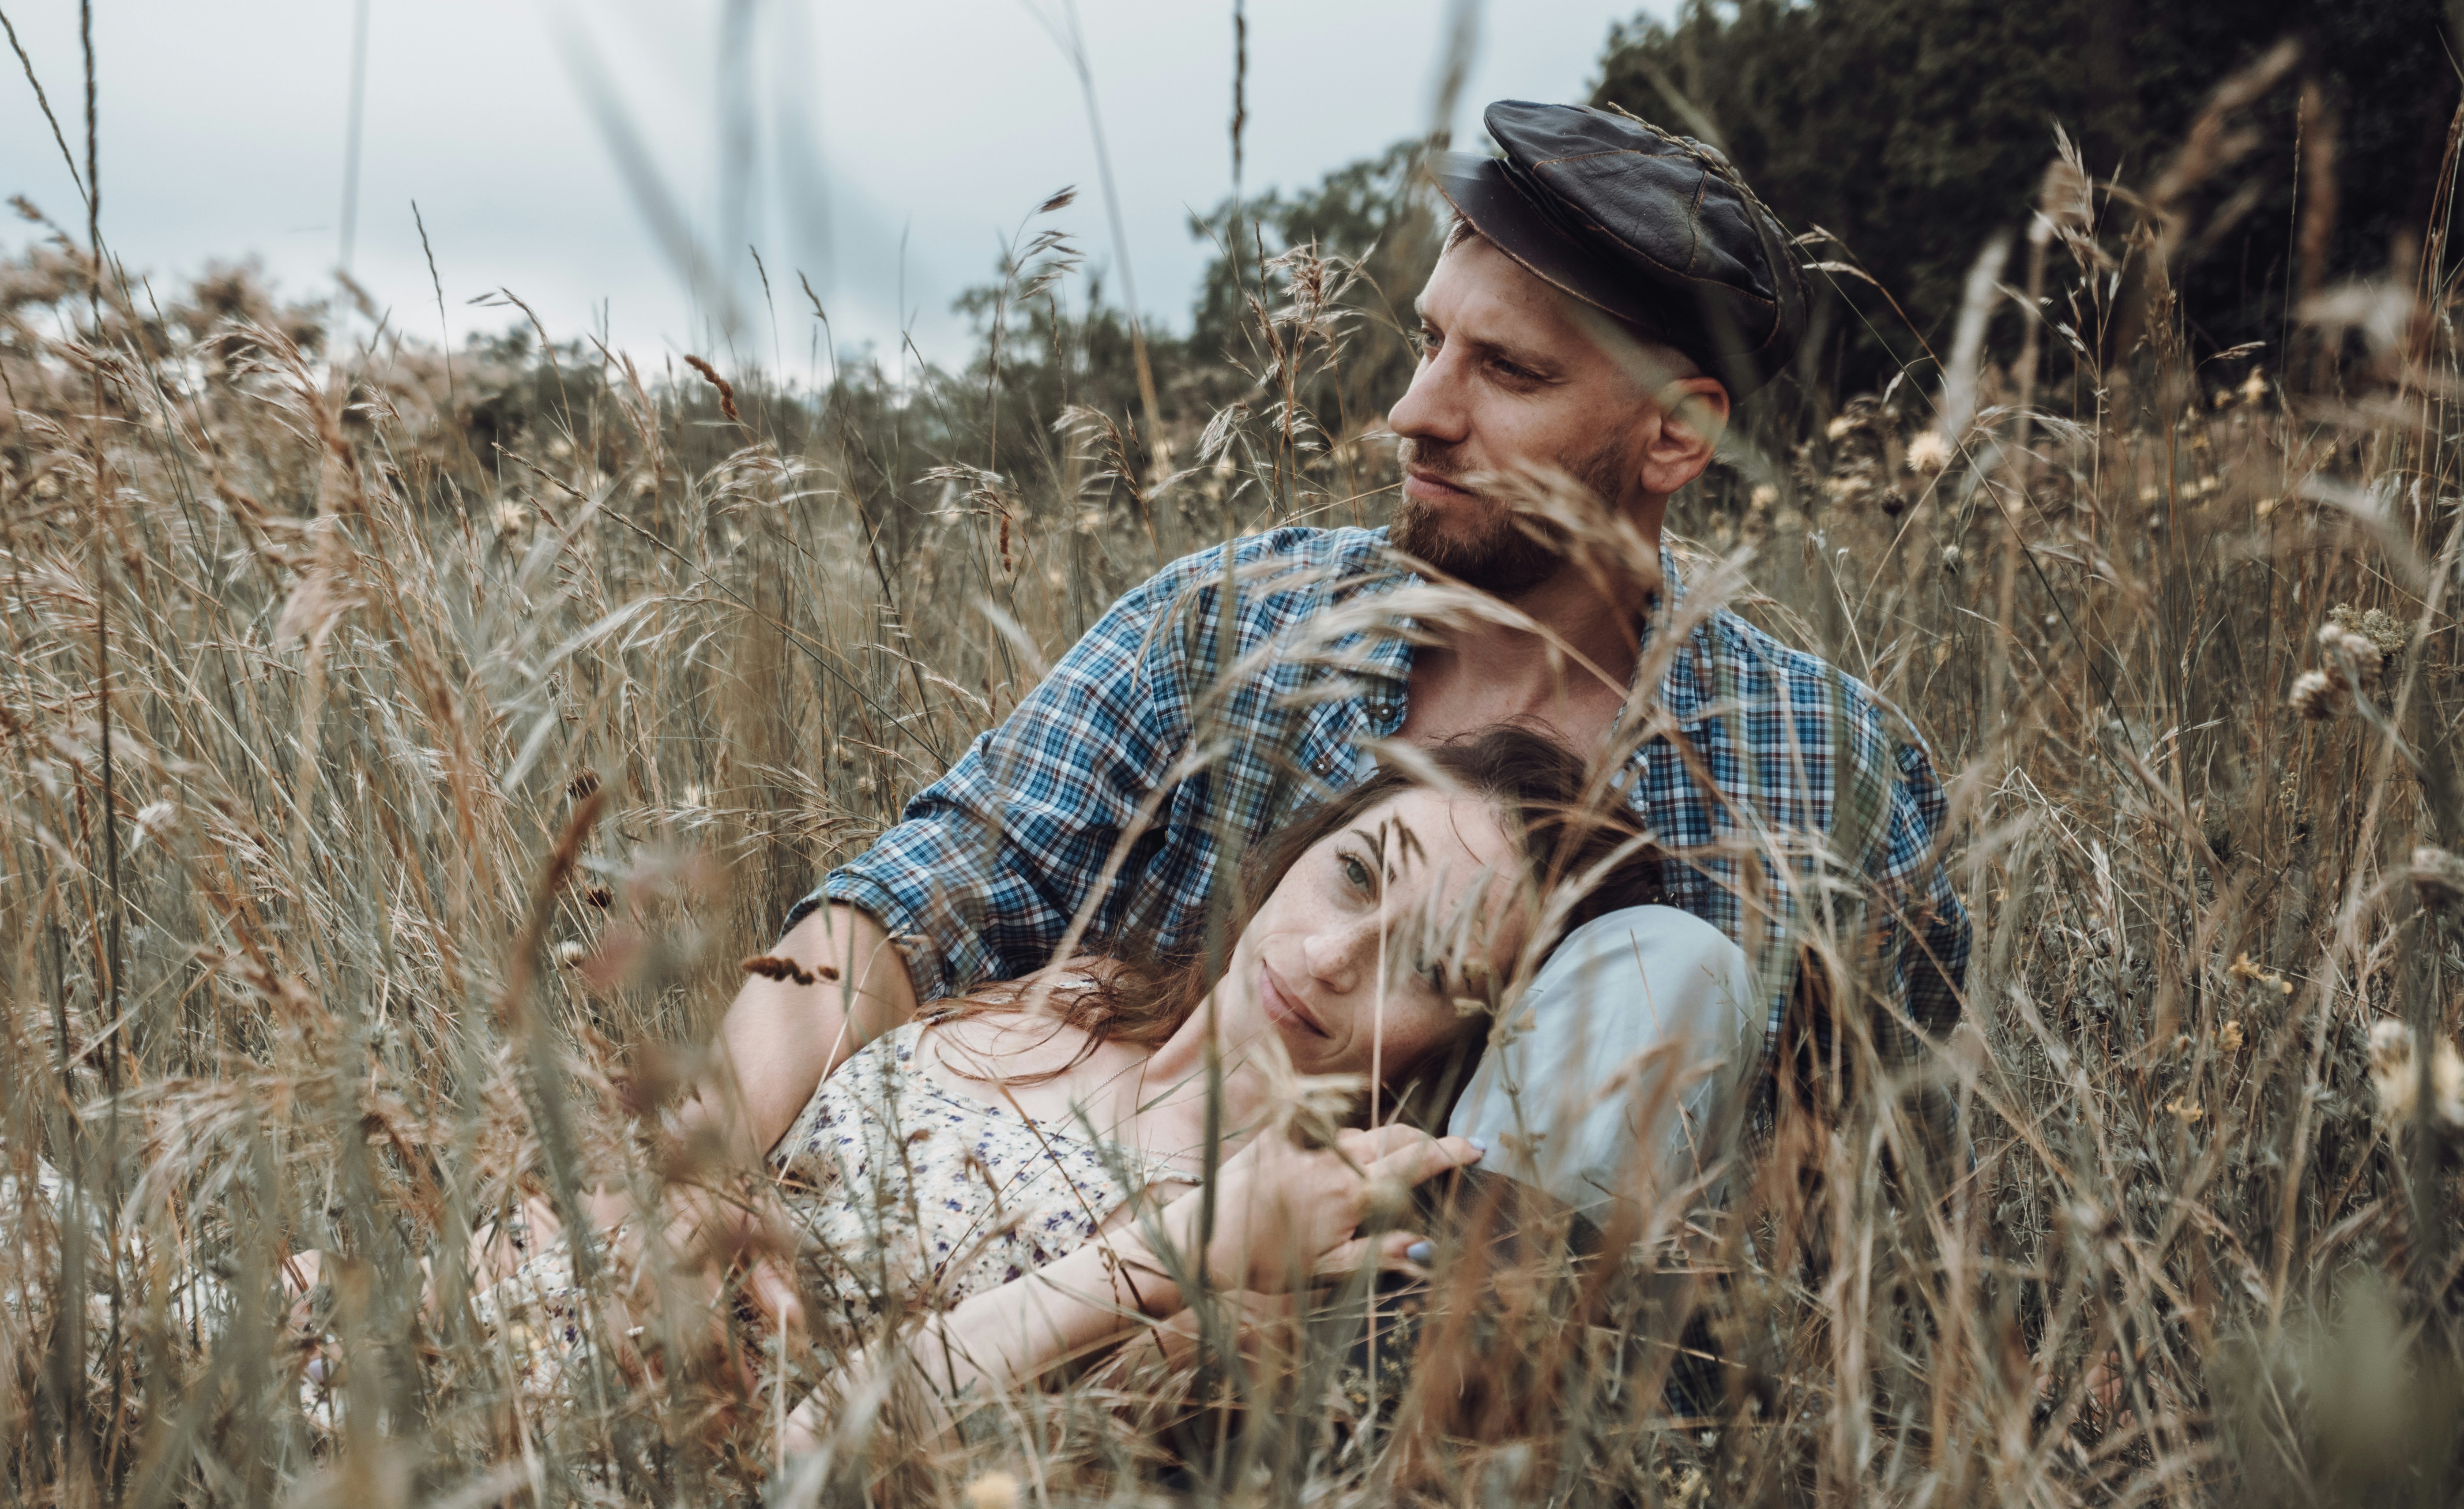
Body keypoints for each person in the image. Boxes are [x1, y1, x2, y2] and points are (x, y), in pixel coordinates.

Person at [708, 101, 1967, 1325]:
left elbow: (1878, 1222)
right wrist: (708, 1171)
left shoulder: (1822, 769)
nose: (1417, 412)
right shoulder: (1233, 624)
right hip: (1044, 1318)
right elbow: (912, 901)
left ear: (1680, 435)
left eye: (1509, 373)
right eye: (1430, 343)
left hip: (1497, 1412)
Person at [766, 727, 1724, 1453]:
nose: (1333, 955)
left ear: (1467, 1042)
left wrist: (1197, 1242)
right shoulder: (1073, 988)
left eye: (1428, 967)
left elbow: (816, 1445)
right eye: (1355, 875)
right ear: (1302, 845)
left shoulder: (1289, 1254)